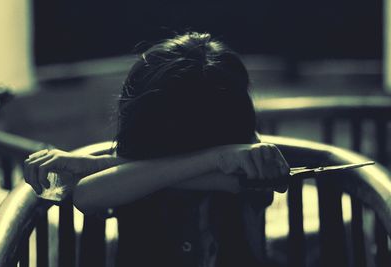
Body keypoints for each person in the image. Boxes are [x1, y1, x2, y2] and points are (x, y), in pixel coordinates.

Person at [24, 32, 290, 267]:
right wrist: (215, 157)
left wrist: (96, 165)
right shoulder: (220, 156)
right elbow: (87, 195)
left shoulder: (251, 157)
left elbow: (230, 182)